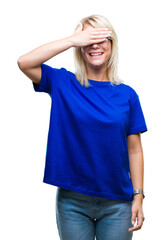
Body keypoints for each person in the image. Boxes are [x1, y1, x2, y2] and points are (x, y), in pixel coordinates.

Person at [17, 14, 147, 240]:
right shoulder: (62, 82)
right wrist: (72, 39)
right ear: (79, 46)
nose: (94, 44)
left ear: (112, 44)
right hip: (72, 201)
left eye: (101, 37)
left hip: (118, 202)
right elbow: (24, 62)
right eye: (88, 38)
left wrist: (138, 196)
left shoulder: (127, 95)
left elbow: (134, 149)